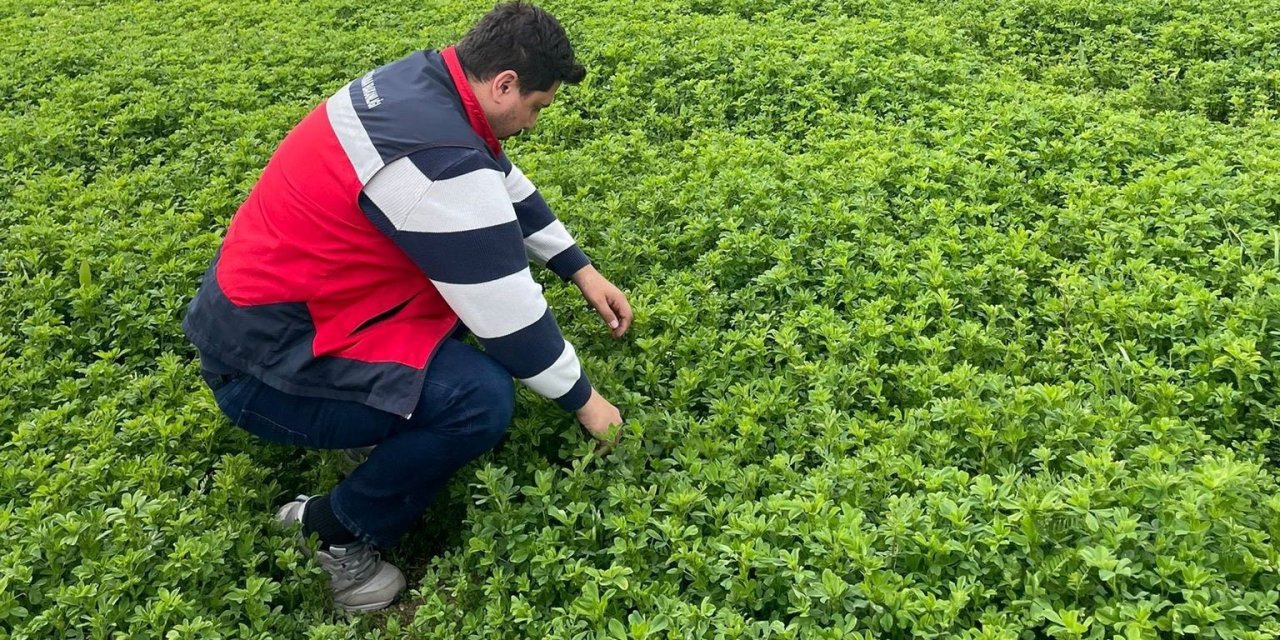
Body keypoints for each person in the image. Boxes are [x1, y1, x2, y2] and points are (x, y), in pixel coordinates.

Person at [182, 1, 631, 612]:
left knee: (448, 339)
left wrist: (578, 266)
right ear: (504, 85)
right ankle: (332, 530)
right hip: (263, 368)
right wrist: (587, 402)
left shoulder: (420, 84)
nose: (532, 122)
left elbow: (496, 176)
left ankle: (373, 428)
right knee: (480, 400)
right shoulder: (436, 161)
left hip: (262, 317)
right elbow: (509, 318)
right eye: (536, 106)